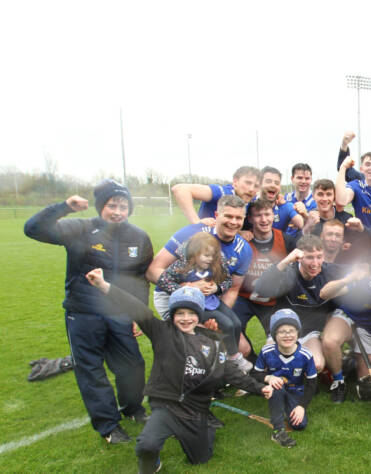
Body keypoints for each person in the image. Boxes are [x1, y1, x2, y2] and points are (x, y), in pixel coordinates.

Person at [84, 270, 270, 473]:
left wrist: (260, 389)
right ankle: (151, 463)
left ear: (199, 314)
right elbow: (135, 308)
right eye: (180, 313)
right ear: (172, 315)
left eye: (191, 313)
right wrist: (103, 284)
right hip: (166, 406)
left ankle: (205, 427)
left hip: (195, 411)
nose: (185, 318)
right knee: (146, 446)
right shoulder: (161, 332)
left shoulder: (212, 341)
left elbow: (231, 374)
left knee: (200, 459)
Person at [24, 180, 151, 444]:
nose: (117, 211)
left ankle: (132, 408)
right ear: (100, 207)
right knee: (91, 370)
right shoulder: (80, 228)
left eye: (123, 206)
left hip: (120, 313)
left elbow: (140, 278)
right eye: (111, 205)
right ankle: (108, 427)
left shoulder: (139, 237)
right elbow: (32, 229)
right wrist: (64, 207)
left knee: (133, 366)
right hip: (83, 313)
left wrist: (139, 313)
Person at [147, 195, 252, 371]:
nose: (233, 222)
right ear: (217, 214)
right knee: (200, 345)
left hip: (209, 301)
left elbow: (232, 288)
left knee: (242, 347)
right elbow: (152, 271)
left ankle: (220, 376)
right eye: (228, 216)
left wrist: (216, 317)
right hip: (172, 297)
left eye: (238, 218)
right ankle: (184, 382)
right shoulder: (192, 236)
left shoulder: (243, 250)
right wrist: (186, 289)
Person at [254, 235, 345, 388]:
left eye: (319, 257)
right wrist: (286, 261)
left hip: (310, 333)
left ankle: (300, 377)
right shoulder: (288, 273)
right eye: (309, 257)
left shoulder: (328, 270)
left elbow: (359, 270)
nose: (315, 263)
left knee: (316, 365)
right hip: (283, 332)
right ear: (299, 257)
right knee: (267, 364)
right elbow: (261, 288)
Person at [318, 244, 371, 400]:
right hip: (348, 319)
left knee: (366, 383)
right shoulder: (362, 277)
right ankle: (338, 381)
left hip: (370, 330)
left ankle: (349, 361)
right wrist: (350, 278)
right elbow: (324, 294)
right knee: (330, 341)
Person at [233, 198, 295, 357]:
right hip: (244, 298)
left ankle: (273, 363)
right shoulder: (242, 240)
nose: (264, 219)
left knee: (281, 336)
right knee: (231, 328)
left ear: (273, 216)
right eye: (258, 215)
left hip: (273, 301)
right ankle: (251, 362)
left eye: (267, 214)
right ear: (250, 219)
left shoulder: (285, 239)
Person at [253, 309, 317, 448]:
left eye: (291, 331)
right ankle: (278, 430)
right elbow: (255, 374)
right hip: (276, 388)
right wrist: (269, 378)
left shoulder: (305, 355)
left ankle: (288, 408)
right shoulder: (267, 352)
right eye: (282, 331)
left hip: (295, 390)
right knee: (277, 386)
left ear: (298, 333)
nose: (287, 335)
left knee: (299, 425)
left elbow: (312, 384)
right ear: (274, 334)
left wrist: (301, 406)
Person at [155, 232, 233, 321]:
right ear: (195, 253)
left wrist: (217, 288)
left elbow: (228, 280)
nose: (210, 259)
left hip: (208, 300)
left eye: (213, 256)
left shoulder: (215, 264)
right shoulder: (183, 265)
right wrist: (186, 290)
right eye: (206, 255)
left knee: (234, 323)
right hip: (182, 302)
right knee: (226, 324)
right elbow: (163, 280)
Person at [171, 166, 260, 224]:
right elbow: (180, 189)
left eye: (256, 186)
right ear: (235, 182)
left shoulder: (250, 199)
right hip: (202, 245)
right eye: (248, 183)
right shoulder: (222, 193)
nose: (251, 189)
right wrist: (196, 223)